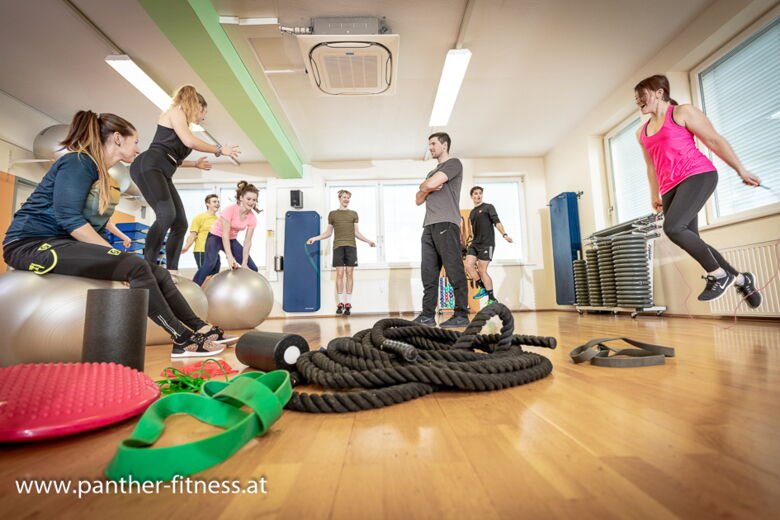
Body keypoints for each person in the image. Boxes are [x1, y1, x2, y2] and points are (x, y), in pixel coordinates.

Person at [2, 111, 226, 357]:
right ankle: (181, 339)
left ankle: (197, 327)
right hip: (29, 245)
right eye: (136, 141)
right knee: (134, 265)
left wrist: (114, 258)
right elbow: (70, 219)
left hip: (59, 244)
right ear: (118, 138)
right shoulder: (79, 161)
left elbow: (91, 224)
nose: (139, 149)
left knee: (157, 270)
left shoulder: (98, 172)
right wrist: (115, 257)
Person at [635, 74, 762, 306]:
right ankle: (742, 279)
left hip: (697, 174)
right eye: (636, 98)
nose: (638, 100)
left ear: (659, 92)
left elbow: (713, 140)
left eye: (642, 95)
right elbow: (651, 167)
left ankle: (719, 275)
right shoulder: (641, 133)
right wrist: (654, 194)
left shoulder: (682, 112)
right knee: (690, 237)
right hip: (669, 187)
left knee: (673, 227)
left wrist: (740, 170)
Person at [130, 85, 240, 274]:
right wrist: (219, 150)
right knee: (166, 215)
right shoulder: (176, 112)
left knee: (180, 223)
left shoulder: (184, 126)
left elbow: (173, 159)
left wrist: (194, 165)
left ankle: (172, 271)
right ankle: (147, 266)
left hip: (163, 169)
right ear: (197, 106)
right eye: (203, 112)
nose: (203, 117)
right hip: (149, 165)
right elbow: (189, 142)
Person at [413, 132, 469, 328]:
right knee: (428, 273)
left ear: (444, 145)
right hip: (428, 226)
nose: (430, 147)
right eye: (429, 144)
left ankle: (461, 314)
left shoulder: (453, 164)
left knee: (454, 270)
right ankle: (428, 315)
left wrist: (426, 187)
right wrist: (426, 187)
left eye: (433, 144)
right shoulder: (432, 172)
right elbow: (418, 199)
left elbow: (427, 186)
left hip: (446, 223)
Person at [306, 189, 376, 316]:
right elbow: (328, 233)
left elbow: (356, 233)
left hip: (351, 247)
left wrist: (368, 241)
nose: (346, 199)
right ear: (339, 198)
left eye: (348, 198)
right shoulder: (333, 214)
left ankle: (348, 303)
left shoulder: (353, 214)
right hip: (338, 247)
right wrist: (314, 238)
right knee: (339, 274)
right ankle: (340, 303)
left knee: (349, 274)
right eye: (344, 197)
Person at [193, 181, 261, 286]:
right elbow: (224, 235)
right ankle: (194, 287)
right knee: (210, 263)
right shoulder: (230, 210)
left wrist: (244, 263)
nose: (251, 202)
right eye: (248, 199)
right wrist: (230, 257)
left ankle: (242, 290)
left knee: (252, 268)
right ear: (241, 198)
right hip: (215, 237)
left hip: (231, 239)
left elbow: (247, 241)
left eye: (254, 200)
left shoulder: (252, 218)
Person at [465, 186, 513, 304]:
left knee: (482, 270)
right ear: (472, 196)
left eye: (480, 193)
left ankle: (491, 298)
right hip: (475, 243)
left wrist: (504, 234)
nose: (478, 195)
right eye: (475, 194)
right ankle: (482, 288)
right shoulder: (472, 213)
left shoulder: (488, 207)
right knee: (468, 266)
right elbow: (473, 229)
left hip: (487, 244)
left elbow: (497, 222)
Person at [182, 193, 221, 277]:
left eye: (218, 202)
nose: (217, 203)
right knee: (204, 277)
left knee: (214, 278)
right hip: (202, 251)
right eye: (214, 202)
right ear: (207, 203)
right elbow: (193, 235)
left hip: (215, 253)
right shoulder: (199, 217)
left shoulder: (219, 220)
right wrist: (186, 247)